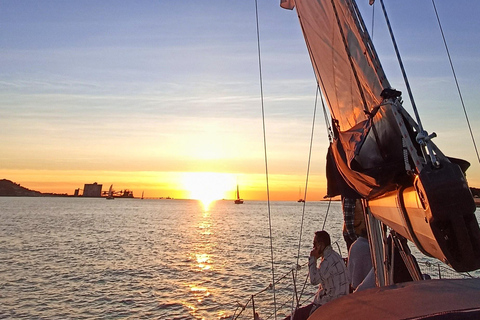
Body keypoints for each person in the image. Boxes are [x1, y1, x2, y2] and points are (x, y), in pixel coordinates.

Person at [282, 231, 349, 320]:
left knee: (297, 315)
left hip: (330, 304)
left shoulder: (327, 261)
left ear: (321, 245)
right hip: (339, 299)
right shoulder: (335, 256)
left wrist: (313, 259)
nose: (313, 247)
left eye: (314, 244)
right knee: (300, 313)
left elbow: (314, 280)